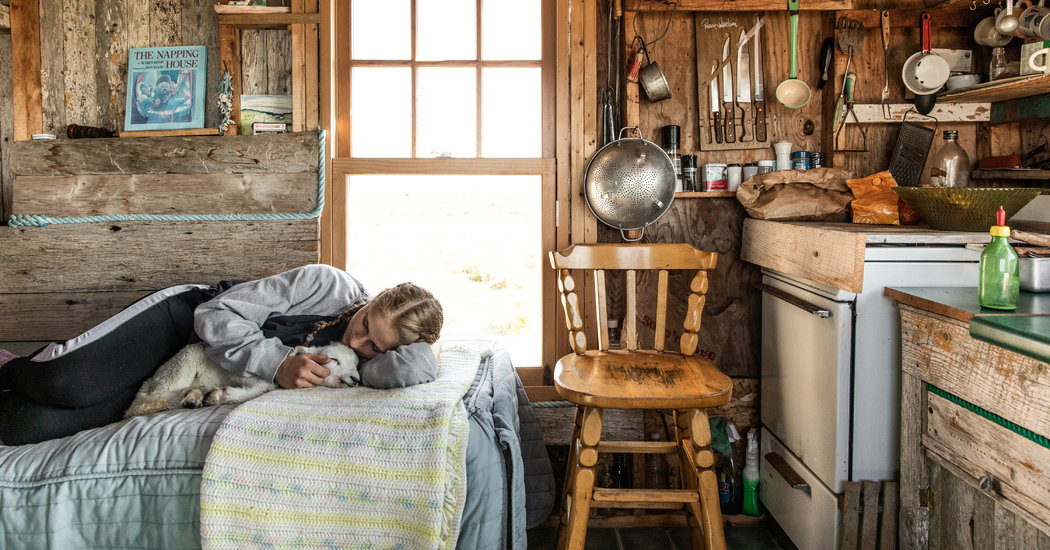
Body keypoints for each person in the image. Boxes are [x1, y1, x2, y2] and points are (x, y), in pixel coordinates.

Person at [0, 264, 443, 446]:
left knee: (23, 425)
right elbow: (215, 313)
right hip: (183, 323)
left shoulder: (366, 365)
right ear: (373, 298)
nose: (356, 342)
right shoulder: (328, 285)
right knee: (63, 383)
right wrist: (276, 363)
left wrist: (411, 349)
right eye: (365, 322)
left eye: (374, 347)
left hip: (188, 378)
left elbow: (419, 366)